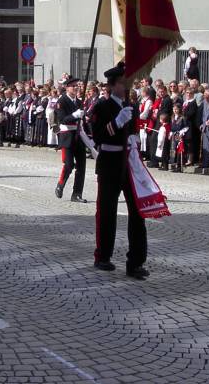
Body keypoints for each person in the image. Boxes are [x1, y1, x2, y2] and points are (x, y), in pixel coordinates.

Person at [90, 62, 148, 280]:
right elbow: (98, 136)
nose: (127, 86)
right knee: (107, 211)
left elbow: (133, 133)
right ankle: (102, 256)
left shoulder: (131, 107)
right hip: (109, 162)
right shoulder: (101, 107)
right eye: (124, 83)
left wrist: (134, 139)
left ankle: (136, 261)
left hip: (128, 163)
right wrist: (116, 122)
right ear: (113, 85)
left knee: (137, 211)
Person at [55, 77, 87, 202]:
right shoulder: (61, 101)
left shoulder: (79, 102)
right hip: (67, 135)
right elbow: (62, 119)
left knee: (81, 166)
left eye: (77, 86)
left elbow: (82, 121)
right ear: (67, 87)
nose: (76, 88)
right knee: (69, 164)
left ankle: (77, 193)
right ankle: (60, 184)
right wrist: (75, 115)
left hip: (78, 135)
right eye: (73, 86)